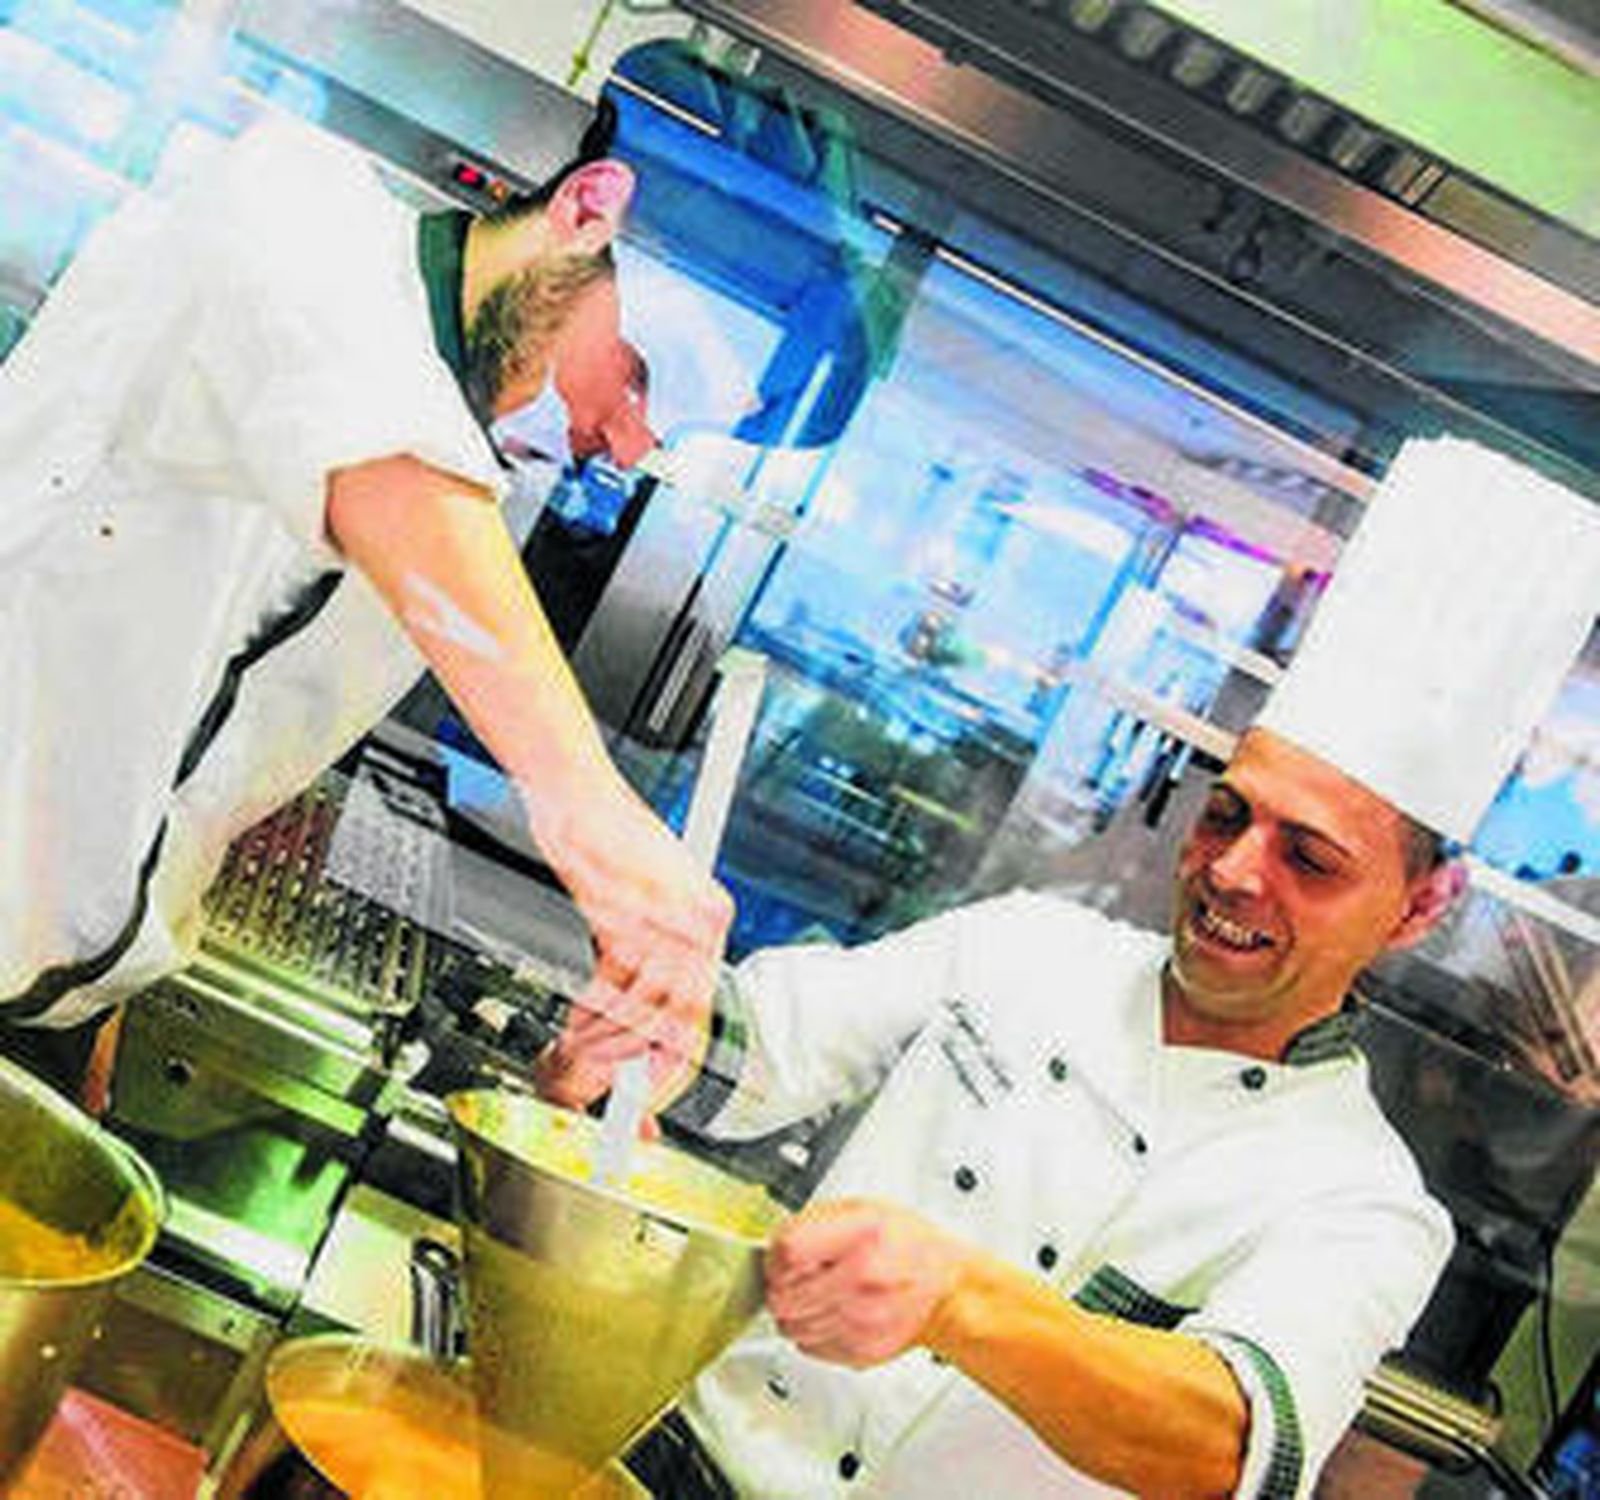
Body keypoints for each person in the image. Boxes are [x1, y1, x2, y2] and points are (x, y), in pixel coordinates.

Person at [0, 107, 730, 1098]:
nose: (630, 442)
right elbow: (366, 439)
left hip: (49, 1014)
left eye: (668, 436)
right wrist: (597, 822)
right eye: (638, 377)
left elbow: (186, 776)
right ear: (587, 205)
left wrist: (95, 1007)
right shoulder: (298, 201)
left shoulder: (468, 496)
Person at [543, 725, 1463, 1498]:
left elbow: (1224, 1448)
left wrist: (955, 1297)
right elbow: (764, 1047)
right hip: (667, 1464)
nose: (1232, 871)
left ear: (1420, 906)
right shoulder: (1031, 944)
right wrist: (657, 1033)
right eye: (1225, 814)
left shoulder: (1363, 1201)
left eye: (1308, 859)